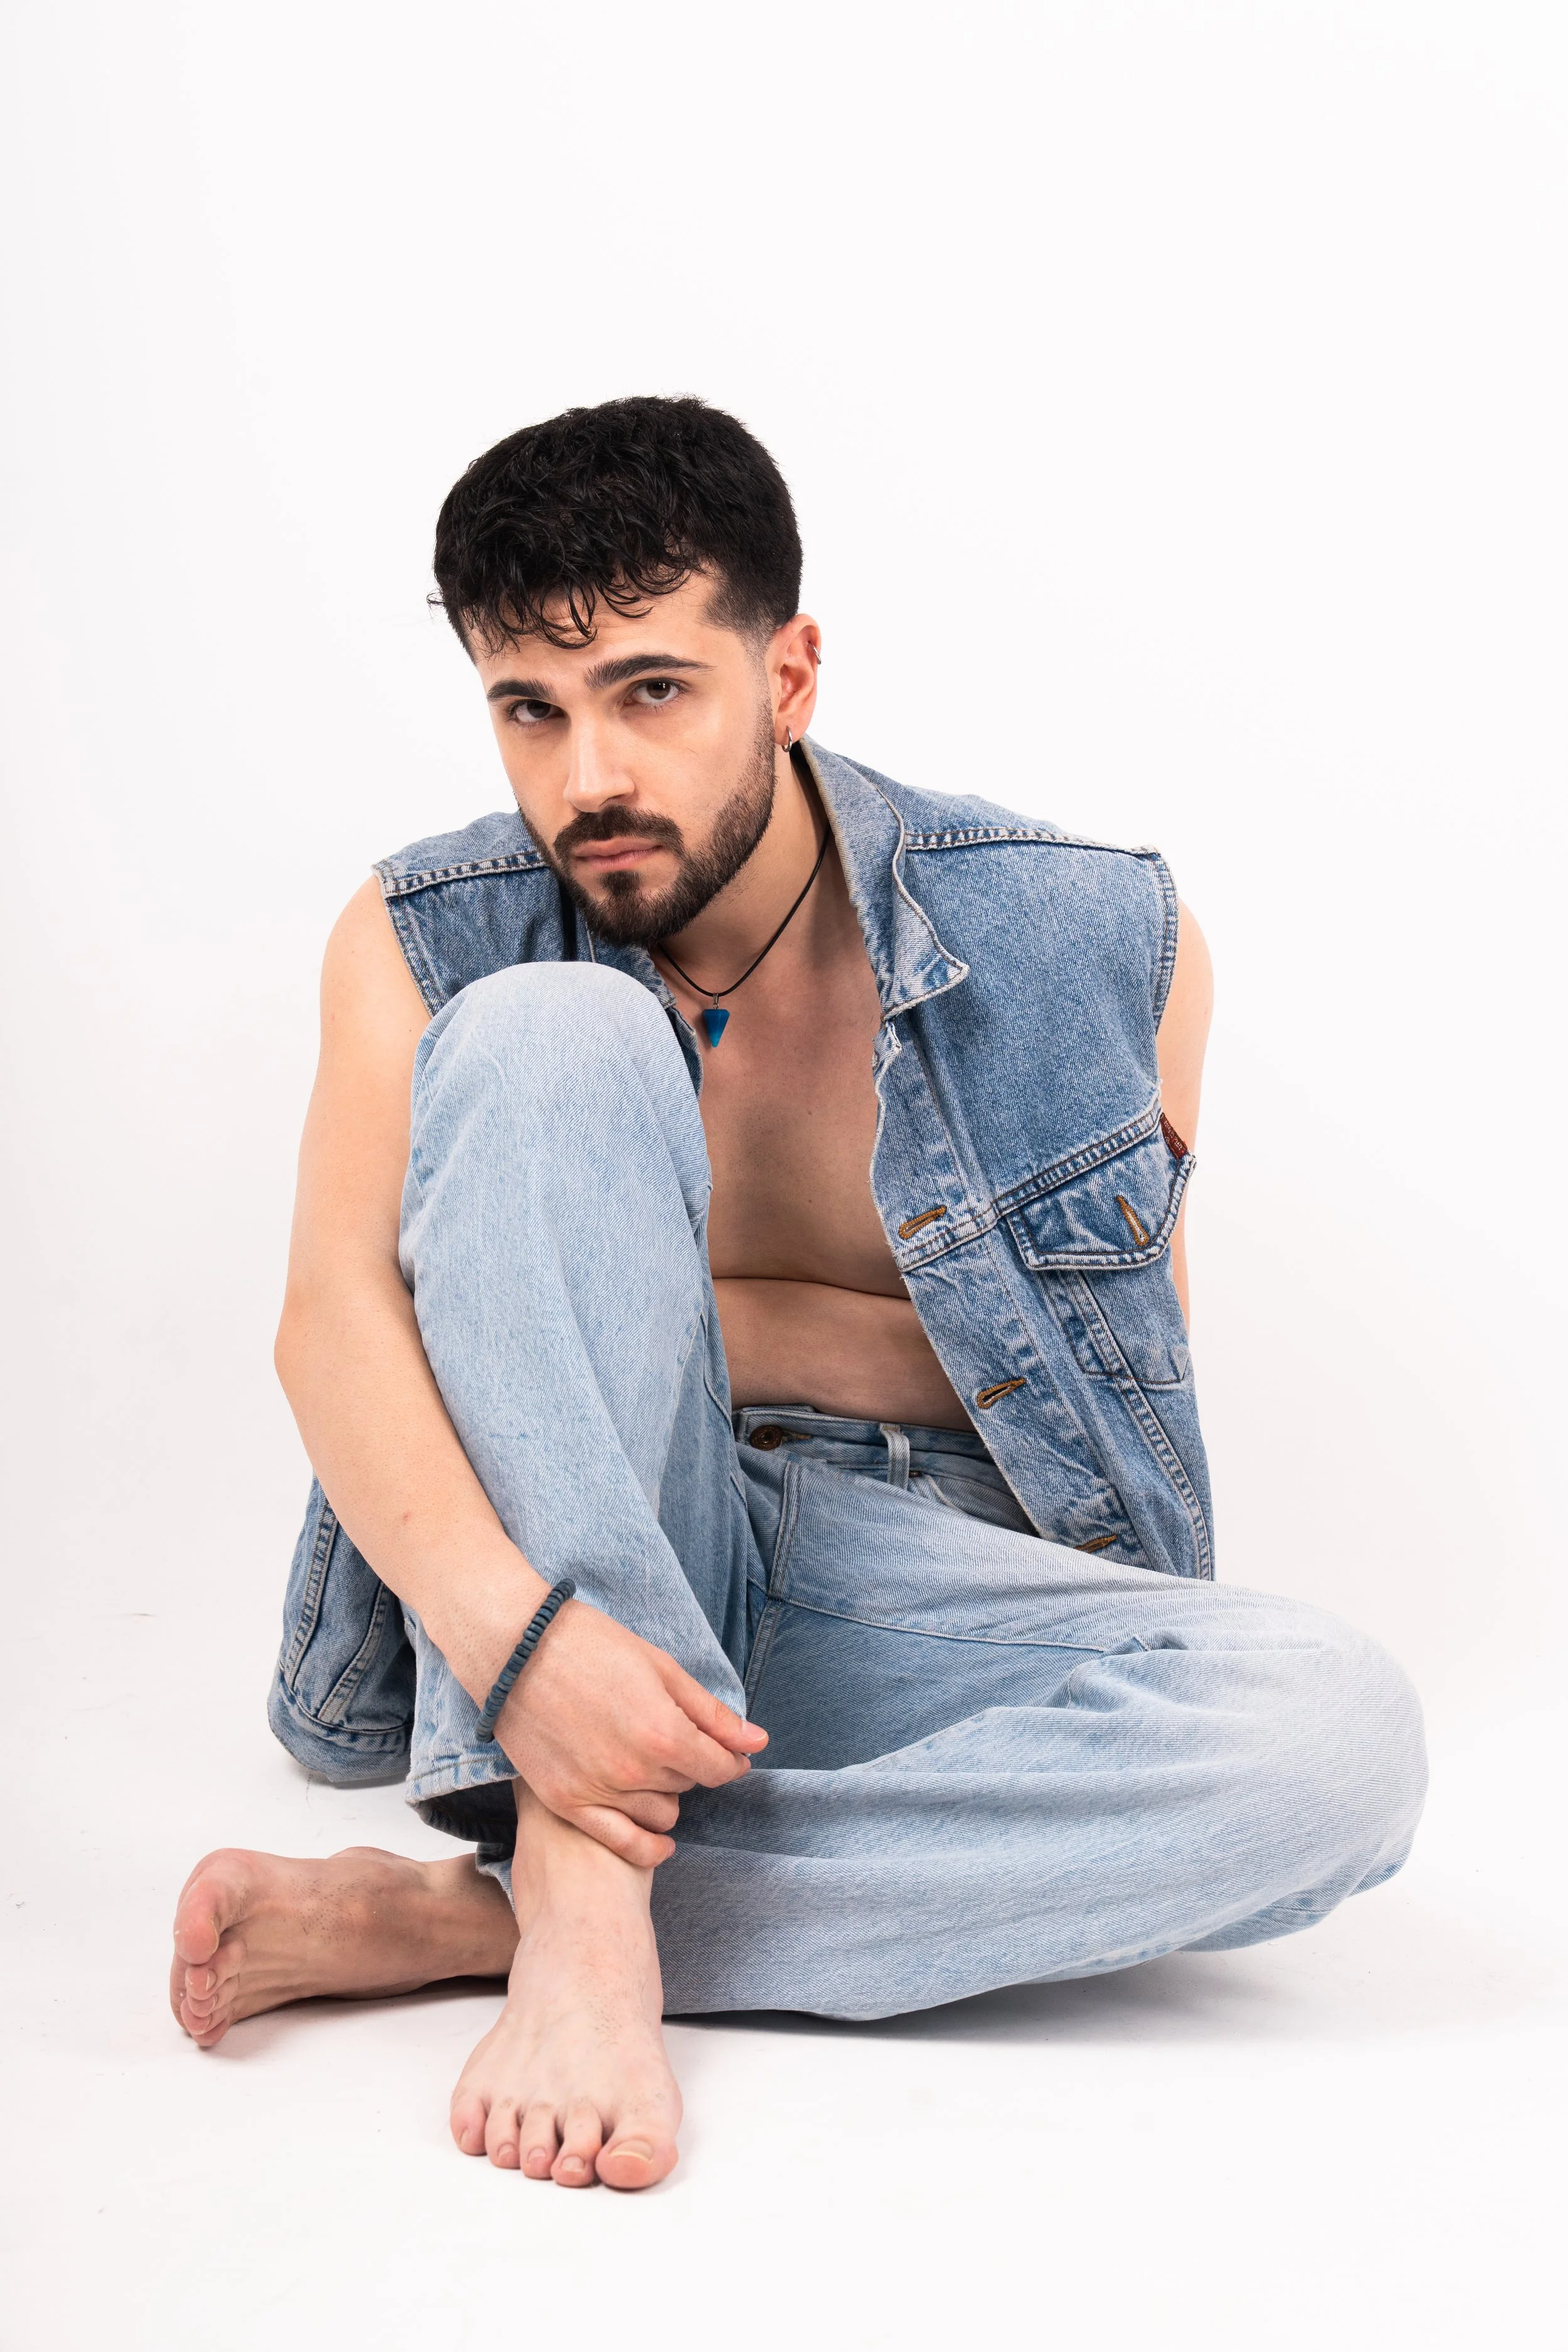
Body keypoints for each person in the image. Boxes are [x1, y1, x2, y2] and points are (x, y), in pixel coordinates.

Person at [169, 396, 1426, 2191]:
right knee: (548, 1034)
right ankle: (592, 1908)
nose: (585, 772)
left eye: (652, 691)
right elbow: (333, 1321)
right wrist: (524, 1638)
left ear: (791, 672)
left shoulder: (1088, 940)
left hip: (893, 1589)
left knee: (1336, 1749)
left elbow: (1114, 1380)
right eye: (531, 706)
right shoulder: (428, 937)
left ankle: (489, 1908)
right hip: (540, 1570)